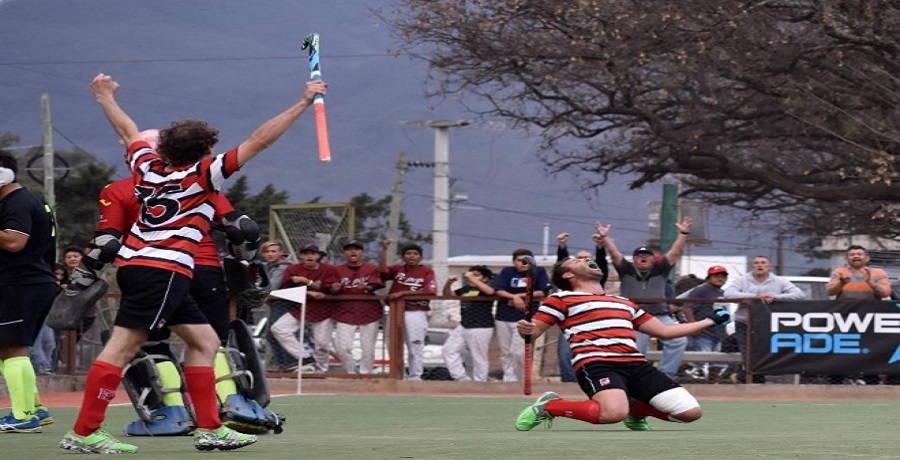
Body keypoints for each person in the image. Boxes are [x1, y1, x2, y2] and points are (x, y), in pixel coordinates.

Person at [59, 73, 325, 454]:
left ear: (163, 147)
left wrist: (104, 96)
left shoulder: (147, 167)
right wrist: (303, 102)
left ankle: (211, 428)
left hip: (144, 267)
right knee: (121, 348)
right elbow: (260, 140)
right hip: (162, 269)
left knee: (205, 342)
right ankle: (84, 432)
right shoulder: (203, 175)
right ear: (207, 150)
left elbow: (128, 128)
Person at [85, 129, 272, 436]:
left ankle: (171, 411)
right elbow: (241, 228)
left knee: (154, 344)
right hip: (204, 268)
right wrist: (246, 261)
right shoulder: (200, 178)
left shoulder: (120, 189)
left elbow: (106, 240)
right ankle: (232, 401)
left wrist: (84, 275)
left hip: (149, 269)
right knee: (213, 343)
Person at [514, 257, 732, 432]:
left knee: (690, 413)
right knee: (612, 414)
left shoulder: (624, 302)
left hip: (637, 365)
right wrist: (526, 329)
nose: (586, 258)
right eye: (576, 260)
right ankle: (550, 406)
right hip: (597, 363)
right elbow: (534, 332)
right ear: (568, 274)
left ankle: (636, 411)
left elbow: (665, 332)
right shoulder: (560, 299)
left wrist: (711, 320)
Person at [0, 149, 57, 433]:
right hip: (29, 283)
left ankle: (22, 416)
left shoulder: (18, 203)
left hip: (22, 284)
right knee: (10, 349)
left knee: (11, 348)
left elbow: (13, 241)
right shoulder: (25, 200)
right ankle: (34, 408)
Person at [599, 217, 693, 379]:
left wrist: (683, 233)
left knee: (678, 340)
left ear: (652, 259)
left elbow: (675, 251)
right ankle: (637, 378)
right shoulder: (626, 269)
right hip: (634, 316)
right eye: (639, 255)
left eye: (646, 255)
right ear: (634, 259)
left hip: (660, 316)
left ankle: (666, 375)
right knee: (636, 349)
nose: (643, 258)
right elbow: (614, 254)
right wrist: (605, 238)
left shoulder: (661, 268)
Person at [723, 255, 805, 383]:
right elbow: (728, 294)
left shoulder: (779, 280)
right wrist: (755, 297)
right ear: (752, 266)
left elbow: (799, 295)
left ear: (769, 266)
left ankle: (746, 379)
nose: (759, 265)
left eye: (763, 263)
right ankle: (754, 381)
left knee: (765, 354)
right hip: (745, 323)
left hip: (769, 324)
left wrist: (775, 297)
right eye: (756, 263)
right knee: (748, 354)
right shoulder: (742, 280)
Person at [824, 245, 891, 385]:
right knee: (841, 349)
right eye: (852, 254)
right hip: (845, 318)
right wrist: (841, 283)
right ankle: (836, 381)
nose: (856, 256)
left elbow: (885, 293)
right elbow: (830, 291)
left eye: (859, 254)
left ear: (867, 258)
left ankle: (871, 382)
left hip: (870, 318)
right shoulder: (840, 271)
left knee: (871, 349)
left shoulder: (878, 272)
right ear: (846, 258)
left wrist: (870, 282)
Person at [270, 244, 339, 372]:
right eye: (306, 253)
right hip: (300, 308)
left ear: (318, 256)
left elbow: (331, 288)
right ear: (301, 256)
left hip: (323, 309)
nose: (309, 256)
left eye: (312, 253)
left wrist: (308, 282)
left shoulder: (329, 269)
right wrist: (309, 291)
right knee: (278, 328)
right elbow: (286, 289)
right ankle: (305, 358)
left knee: (322, 344)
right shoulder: (293, 269)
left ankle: (320, 370)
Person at [554, 228, 609, 382]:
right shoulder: (568, 285)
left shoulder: (596, 279)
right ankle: (569, 381)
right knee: (565, 352)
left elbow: (602, 264)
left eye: (587, 259)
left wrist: (600, 247)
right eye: (579, 259)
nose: (584, 261)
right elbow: (564, 267)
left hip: (596, 320)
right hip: (571, 320)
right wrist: (562, 247)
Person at [378, 239, 437, 380]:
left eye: (415, 253)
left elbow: (430, 292)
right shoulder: (398, 269)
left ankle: (415, 376)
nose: (412, 256)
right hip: (395, 311)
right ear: (403, 257)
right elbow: (382, 271)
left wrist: (403, 293)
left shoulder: (426, 271)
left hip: (415, 311)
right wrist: (384, 250)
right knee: (391, 343)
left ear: (420, 257)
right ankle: (399, 375)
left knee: (415, 344)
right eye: (408, 253)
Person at [492, 249, 552, 382]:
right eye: (519, 260)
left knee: (519, 352)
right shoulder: (507, 272)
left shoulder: (539, 271)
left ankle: (522, 380)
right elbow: (499, 289)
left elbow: (543, 292)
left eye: (526, 259)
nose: (523, 263)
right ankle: (509, 379)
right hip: (504, 315)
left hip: (525, 317)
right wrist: (513, 296)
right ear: (514, 262)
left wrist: (520, 296)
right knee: (505, 351)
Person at [333, 240, 385, 374]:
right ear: (345, 253)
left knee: (368, 348)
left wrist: (367, 287)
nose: (353, 252)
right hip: (345, 311)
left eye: (356, 249)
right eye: (349, 249)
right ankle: (351, 372)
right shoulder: (337, 270)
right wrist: (334, 288)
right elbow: (330, 288)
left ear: (362, 252)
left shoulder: (371, 268)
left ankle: (365, 374)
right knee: (342, 347)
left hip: (369, 311)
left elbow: (377, 284)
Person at [441, 265, 495, 382]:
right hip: (464, 324)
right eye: (470, 274)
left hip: (481, 326)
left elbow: (490, 292)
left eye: (476, 275)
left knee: (478, 356)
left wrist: (472, 278)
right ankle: (461, 378)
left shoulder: (486, 288)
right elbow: (447, 295)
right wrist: (449, 283)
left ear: (485, 279)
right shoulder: (465, 289)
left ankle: (480, 381)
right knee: (449, 350)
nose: (471, 277)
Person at [677, 266, 730, 382]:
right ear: (708, 278)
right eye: (716, 276)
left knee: (717, 362)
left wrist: (725, 329)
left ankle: (712, 384)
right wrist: (693, 326)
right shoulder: (702, 290)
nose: (720, 278)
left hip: (718, 333)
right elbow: (687, 308)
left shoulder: (722, 292)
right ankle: (673, 374)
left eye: (723, 276)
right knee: (698, 360)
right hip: (704, 333)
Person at [259, 240, 294, 371]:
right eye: (267, 251)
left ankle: (289, 363)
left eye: (273, 251)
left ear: (280, 252)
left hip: (286, 304)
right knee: (271, 334)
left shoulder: (284, 266)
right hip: (273, 303)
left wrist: (256, 290)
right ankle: (282, 363)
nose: (270, 254)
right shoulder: (267, 266)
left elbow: (272, 286)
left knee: (276, 333)